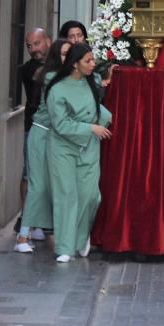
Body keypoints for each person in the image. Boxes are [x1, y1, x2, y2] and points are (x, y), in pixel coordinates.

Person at [45, 43, 112, 263]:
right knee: (66, 195)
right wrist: (90, 128)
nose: (93, 64)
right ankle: (65, 246)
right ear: (75, 64)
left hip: (89, 145)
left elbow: (96, 108)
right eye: (88, 61)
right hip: (63, 147)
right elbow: (61, 124)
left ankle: (81, 237)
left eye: (93, 60)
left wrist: (104, 119)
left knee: (91, 195)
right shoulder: (57, 89)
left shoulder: (92, 82)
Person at [14, 39, 71, 253]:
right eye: (65, 54)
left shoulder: (62, 77)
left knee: (47, 186)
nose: (68, 59)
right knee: (37, 186)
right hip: (41, 135)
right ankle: (22, 236)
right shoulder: (52, 78)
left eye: (70, 54)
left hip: (53, 136)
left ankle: (37, 227)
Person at [15, 28, 51, 235]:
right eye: (29, 46)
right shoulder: (29, 69)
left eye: (37, 44)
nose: (33, 49)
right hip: (34, 127)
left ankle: (39, 221)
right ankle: (26, 219)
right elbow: (42, 76)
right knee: (29, 174)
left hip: (54, 128)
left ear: (48, 41)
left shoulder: (56, 64)